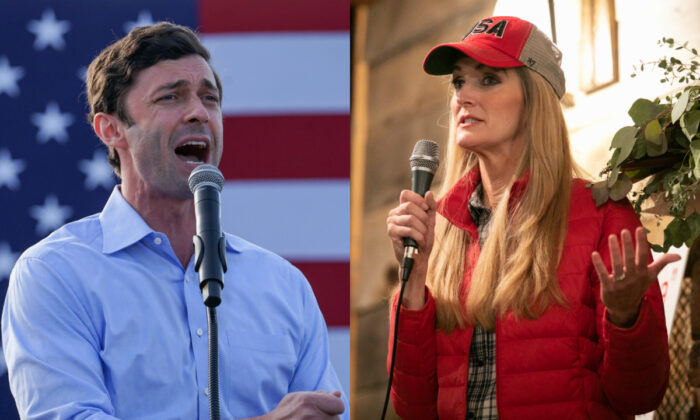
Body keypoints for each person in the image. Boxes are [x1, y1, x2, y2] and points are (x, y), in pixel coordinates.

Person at [2, 22, 347, 420]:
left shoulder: (284, 286)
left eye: (209, 98)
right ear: (111, 129)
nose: (199, 113)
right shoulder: (55, 274)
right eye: (171, 97)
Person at [385, 16, 675, 419]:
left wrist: (626, 317)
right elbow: (412, 408)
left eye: (488, 80)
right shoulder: (441, 229)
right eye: (458, 82)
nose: (463, 96)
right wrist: (414, 282)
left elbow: (639, 397)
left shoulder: (602, 213)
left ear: (534, 99)